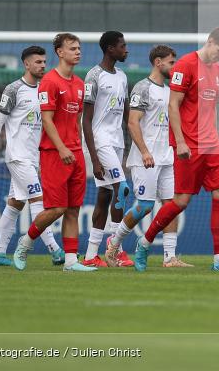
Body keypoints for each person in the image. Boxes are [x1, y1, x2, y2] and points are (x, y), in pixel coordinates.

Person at [133, 27, 219, 272]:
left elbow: (208, 107)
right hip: (189, 144)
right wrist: (180, 141)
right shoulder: (184, 65)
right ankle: (144, 242)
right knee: (180, 201)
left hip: (211, 144)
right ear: (210, 41)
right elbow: (173, 106)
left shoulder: (215, 69)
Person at [12, 33, 96, 272]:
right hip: (54, 153)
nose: (78, 52)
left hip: (76, 154)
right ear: (60, 52)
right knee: (56, 208)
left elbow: (77, 119)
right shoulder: (49, 81)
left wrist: (77, 148)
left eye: (79, 48)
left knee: (73, 209)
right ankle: (25, 243)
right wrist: (61, 148)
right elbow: (47, 120)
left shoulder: (79, 84)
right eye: (72, 48)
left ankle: (71, 262)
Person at [106, 45, 191, 268]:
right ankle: (113, 243)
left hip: (167, 157)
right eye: (171, 62)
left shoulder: (172, 89)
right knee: (145, 206)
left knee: (171, 205)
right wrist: (144, 151)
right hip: (147, 159)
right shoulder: (144, 88)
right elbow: (132, 122)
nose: (175, 67)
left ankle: (169, 257)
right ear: (158, 62)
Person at [0, 45, 63, 266]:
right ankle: (54, 250)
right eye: (38, 62)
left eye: (45, 62)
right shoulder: (13, 89)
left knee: (15, 203)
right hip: (17, 156)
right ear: (26, 64)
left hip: (35, 157)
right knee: (39, 200)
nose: (43, 66)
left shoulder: (45, 89)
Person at [82, 31, 132, 267]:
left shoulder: (122, 77)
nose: (126, 50)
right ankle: (115, 249)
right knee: (121, 189)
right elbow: (86, 119)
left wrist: (131, 143)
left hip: (117, 141)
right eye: (123, 46)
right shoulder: (93, 76)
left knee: (104, 195)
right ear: (110, 49)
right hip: (99, 141)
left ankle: (91, 255)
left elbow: (125, 115)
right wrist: (94, 157)